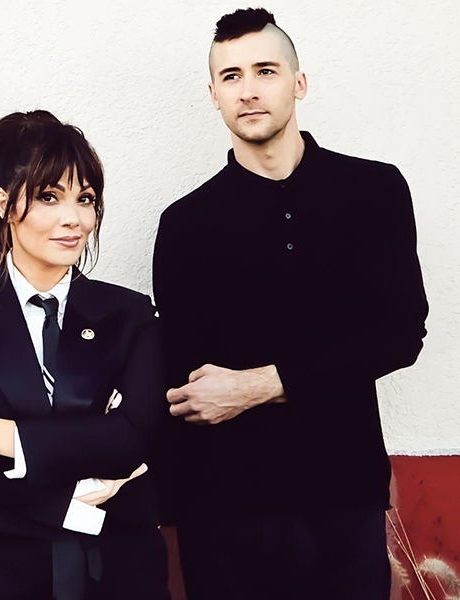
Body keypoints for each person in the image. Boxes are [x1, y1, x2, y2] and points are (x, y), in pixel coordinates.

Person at [153, 8, 428, 600]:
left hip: (343, 498)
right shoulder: (185, 224)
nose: (248, 90)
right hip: (223, 514)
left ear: (299, 83)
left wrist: (261, 384)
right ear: (213, 94)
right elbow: (183, 379)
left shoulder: (374, 192)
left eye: (265, 71)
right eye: (230, 76)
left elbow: (400, 333)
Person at [0, 110, 171, 600]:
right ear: (4, 203)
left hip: (118, 573)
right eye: (50, 196)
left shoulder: (130, 313)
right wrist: (75, 501)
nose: (74, 218)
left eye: (85, 199)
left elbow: (134, 438)